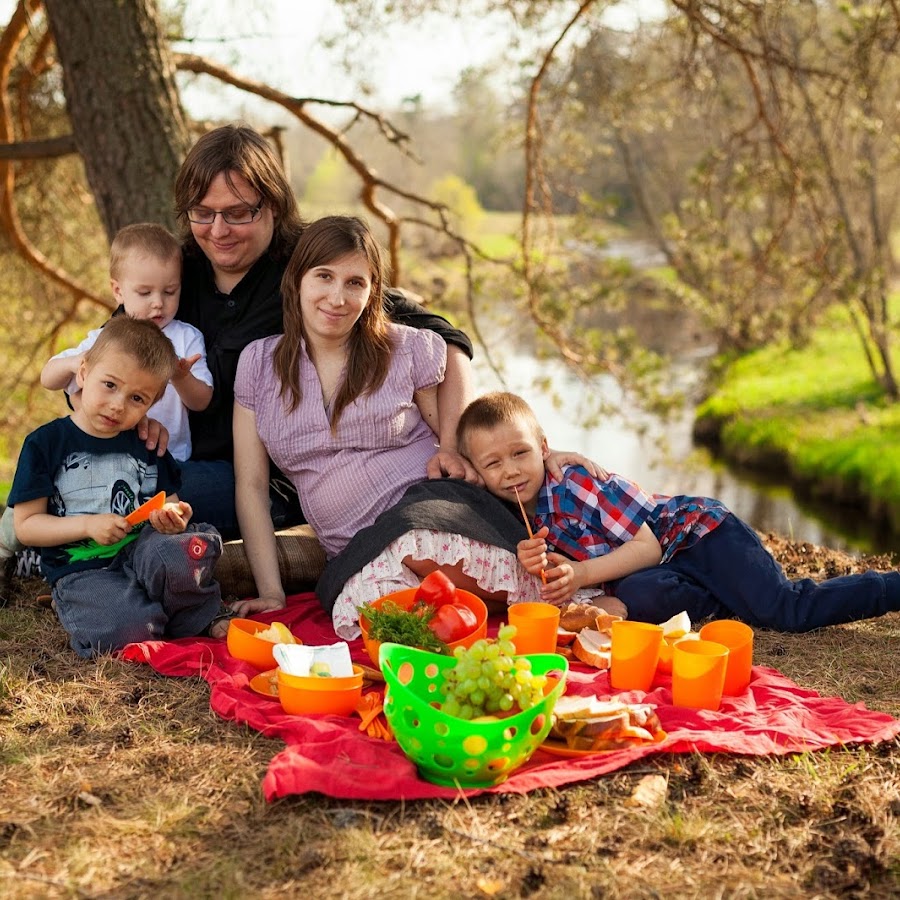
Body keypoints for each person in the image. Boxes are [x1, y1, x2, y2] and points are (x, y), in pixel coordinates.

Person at [230, 217, 596, 638]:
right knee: (374, 612)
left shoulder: (401, 348)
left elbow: (470, 437)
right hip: (357, 549)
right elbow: (252, 486)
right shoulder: (259, 365)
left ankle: (554, 599)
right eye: (324, 277)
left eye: (355, 283)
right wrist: (272, 593)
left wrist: (541, 454)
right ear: (296, 280)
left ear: (372, 293)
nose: (337, 297)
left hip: (432, 510)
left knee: (414, 545)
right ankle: (503, 609)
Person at [170, 123, 479, 538]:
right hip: (175, 457)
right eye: (203, 213)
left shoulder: (312, 266)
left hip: (281, 484)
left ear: (273, 206)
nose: (218, 230)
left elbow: (445, 342)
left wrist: (455, 446)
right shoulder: (174, 273)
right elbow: (106, 355)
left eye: (238, 212)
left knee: (156, 492)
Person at [455, 391, 900, 633]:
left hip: (698, 536)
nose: (510, 470)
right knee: (639, 597)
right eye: (493, 463)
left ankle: (891, 588)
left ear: (545, 448)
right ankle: (725, 597)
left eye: (521, 453)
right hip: (658, 569)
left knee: (784, 611)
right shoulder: (509, 511)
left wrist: (581, 574)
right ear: (476, 470)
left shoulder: (573, 484)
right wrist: (540, 565)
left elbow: (647, 547)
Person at [7, 317, 228, 658]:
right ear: (82, 373)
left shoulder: (145, 442)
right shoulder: (46, 444)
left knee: (182, 551)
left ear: (151, 405)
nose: (118, 404)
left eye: (137, 398)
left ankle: (198, 614)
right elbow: (26, 526)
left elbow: (168, 503)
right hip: (84, 568)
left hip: (142, 551)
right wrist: (86, 525)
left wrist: (173, 516)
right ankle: (108, 608)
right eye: (109, 384)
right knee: (130, 630)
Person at [41, 222, 213, 462]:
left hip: (167, 459)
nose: (158, 303)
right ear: (118, 291)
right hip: (106, 457)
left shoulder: (187, 338)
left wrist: (182, 376)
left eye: (170, 291)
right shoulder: (107, 337)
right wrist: (75, 362)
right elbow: (47, 377)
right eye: (145, 293)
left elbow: (201, 402)